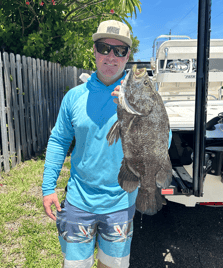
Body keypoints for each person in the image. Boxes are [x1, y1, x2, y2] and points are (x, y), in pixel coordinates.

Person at [42, 20, 172, 268]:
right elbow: (59, 140)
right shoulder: (74, 97)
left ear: (128, 55)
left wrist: (135, 114)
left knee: (112, 265)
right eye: (104, 47)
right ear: (94, 50)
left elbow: (164, 140)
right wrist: (48, 187)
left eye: (120, 50)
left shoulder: (142, 96)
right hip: (79, 201)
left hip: (121, 202)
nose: (111, 56)